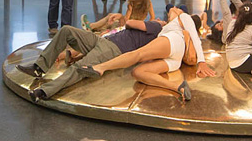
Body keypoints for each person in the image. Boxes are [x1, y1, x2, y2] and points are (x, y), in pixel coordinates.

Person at [66, 4, 214, 103]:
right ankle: (177, 88)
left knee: (138, 54)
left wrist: (202, 61)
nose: (173, 9)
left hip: (172, 42)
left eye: (175, 9)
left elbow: (194, 36)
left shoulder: (183, 17)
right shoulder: (172, 25)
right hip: (174, 59)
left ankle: (100, 67)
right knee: (138, 72)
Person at [19, 14, 165, 103]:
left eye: (163, 19)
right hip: (103, 40)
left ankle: (44, 92)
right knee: (67, 31)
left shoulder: (157, 27)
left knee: (79, 68)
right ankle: (39, 67)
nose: (159, 18)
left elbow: (130, 23)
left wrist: (156, 23)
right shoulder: (155, 32)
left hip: (112, 49)